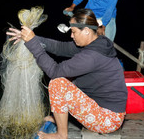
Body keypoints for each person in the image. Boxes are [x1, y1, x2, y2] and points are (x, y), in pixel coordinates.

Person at [7, 9, 127, 139]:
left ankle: (61, 134)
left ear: (86, 30)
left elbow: (55, 71)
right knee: (69, 79)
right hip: (102, 107)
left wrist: (32, 44)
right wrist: (32, 38)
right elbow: (60, 47)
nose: (71, 35)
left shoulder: (92, 56)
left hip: (108, 120)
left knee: (57, 83)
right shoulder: (97, 42)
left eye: (74, 32)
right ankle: (59, 117)